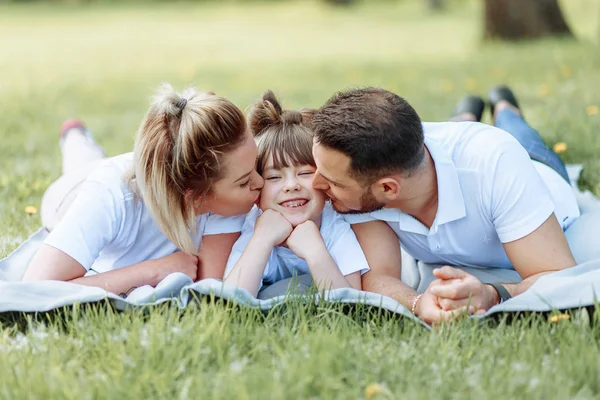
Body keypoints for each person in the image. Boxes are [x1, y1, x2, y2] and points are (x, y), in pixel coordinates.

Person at [310, 85, 580, 324]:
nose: (315, 185)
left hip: (539, 169)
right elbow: (377, 276)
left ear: (388, 188)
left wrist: (492, 293)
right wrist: (417, 303)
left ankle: (505, 107)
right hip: (435, 157)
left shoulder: (495, 165)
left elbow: (555, 276)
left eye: (332, 182)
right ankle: (465, 116)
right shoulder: (370, 174)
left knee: (520, 132)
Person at [23, 84, 264, 296]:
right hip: (71, 193)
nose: (261, 182)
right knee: (82, 163)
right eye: (244, 181)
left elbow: (208, 286)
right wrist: (152, 271)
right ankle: (75, 136)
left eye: (257, 165)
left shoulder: (223, 195)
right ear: (195, 197)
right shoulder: (110, 196)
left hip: (148, 172)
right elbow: (37, 289)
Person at [223, 91, 369, 297]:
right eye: (274, 177)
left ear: (325, 182)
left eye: (305, 173)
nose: (291, 186)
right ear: (257, 191)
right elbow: (230, 301)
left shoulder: (334, 227)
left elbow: (354, 304)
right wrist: (262, 240)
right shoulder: (255, 227)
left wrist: (316, 252)